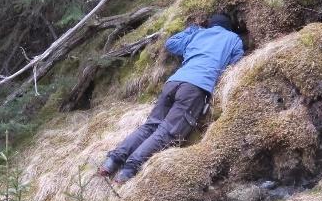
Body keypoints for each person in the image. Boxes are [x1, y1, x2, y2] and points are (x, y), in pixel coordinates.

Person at [99, 13, 244, 184]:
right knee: (168, 131)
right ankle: (129, 170)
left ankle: (112, 161)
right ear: (228, 26)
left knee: (150, 125)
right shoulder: (233, 38)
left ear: (210, 24)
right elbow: (236, 63)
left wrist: (191, 30)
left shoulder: (197, 34)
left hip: (174, 81)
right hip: (195, 87)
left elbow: (171, 43)